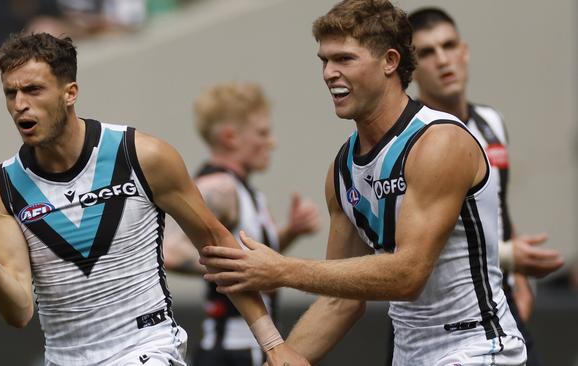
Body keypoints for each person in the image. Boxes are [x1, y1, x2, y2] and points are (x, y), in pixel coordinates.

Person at [0, 33, 308, 366]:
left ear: (70, 92)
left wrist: (274, 345)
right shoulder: (2, 186)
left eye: (33, 90)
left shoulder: (141, 155)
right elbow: (17, 311)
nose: (20, 104)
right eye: (10, 93)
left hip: (145, 348)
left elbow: (215, 244)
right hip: (63, 358)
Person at [200, 0, 527, 364]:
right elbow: (341, 301)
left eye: (344, 59)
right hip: (410, 355)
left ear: (389, 61)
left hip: (477, 349)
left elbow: (407, 274)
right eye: (324, 60)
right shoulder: (342, 169)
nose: (328, 73)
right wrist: (283, 356)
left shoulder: (439, 142)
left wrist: (283, 270)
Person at [404, 7, 566, 366]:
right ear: (411, 69)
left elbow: (496, 209)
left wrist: (519, 276)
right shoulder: (410, 141)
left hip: (497, 301)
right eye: (427, 52)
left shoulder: (491, 122)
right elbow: (414, 248)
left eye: (449, 46)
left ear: (465, 52)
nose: (443, 60)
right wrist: (510, 256)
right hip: (431, 318)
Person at [163, 82, 320, 366]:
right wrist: (240, 270)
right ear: (230, 137)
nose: (272, 142)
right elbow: (170, 252)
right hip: (230, 352)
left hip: (251, 347)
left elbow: (247, 259)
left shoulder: (247, 192)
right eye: (262, 133)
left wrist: (290, 232)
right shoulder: (219, 187)